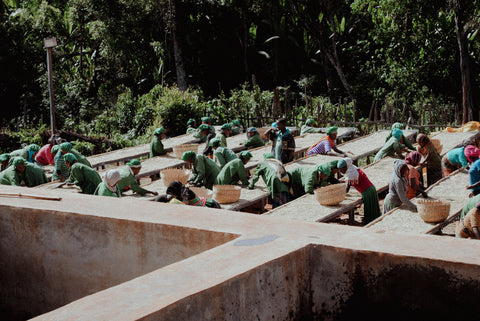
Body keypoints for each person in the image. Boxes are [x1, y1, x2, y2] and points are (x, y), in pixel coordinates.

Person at [337, 157, 381, 224]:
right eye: (339, 169)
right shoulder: (353, 168)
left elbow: (347, 188)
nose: (341, 171)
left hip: (366, 191)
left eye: (342, 169)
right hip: (371, 188)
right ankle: (374, 220)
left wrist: (340, 196)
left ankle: (370, 223)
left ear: (346, 167)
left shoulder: (350, 174)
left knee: (369, 210)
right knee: (372, 209)